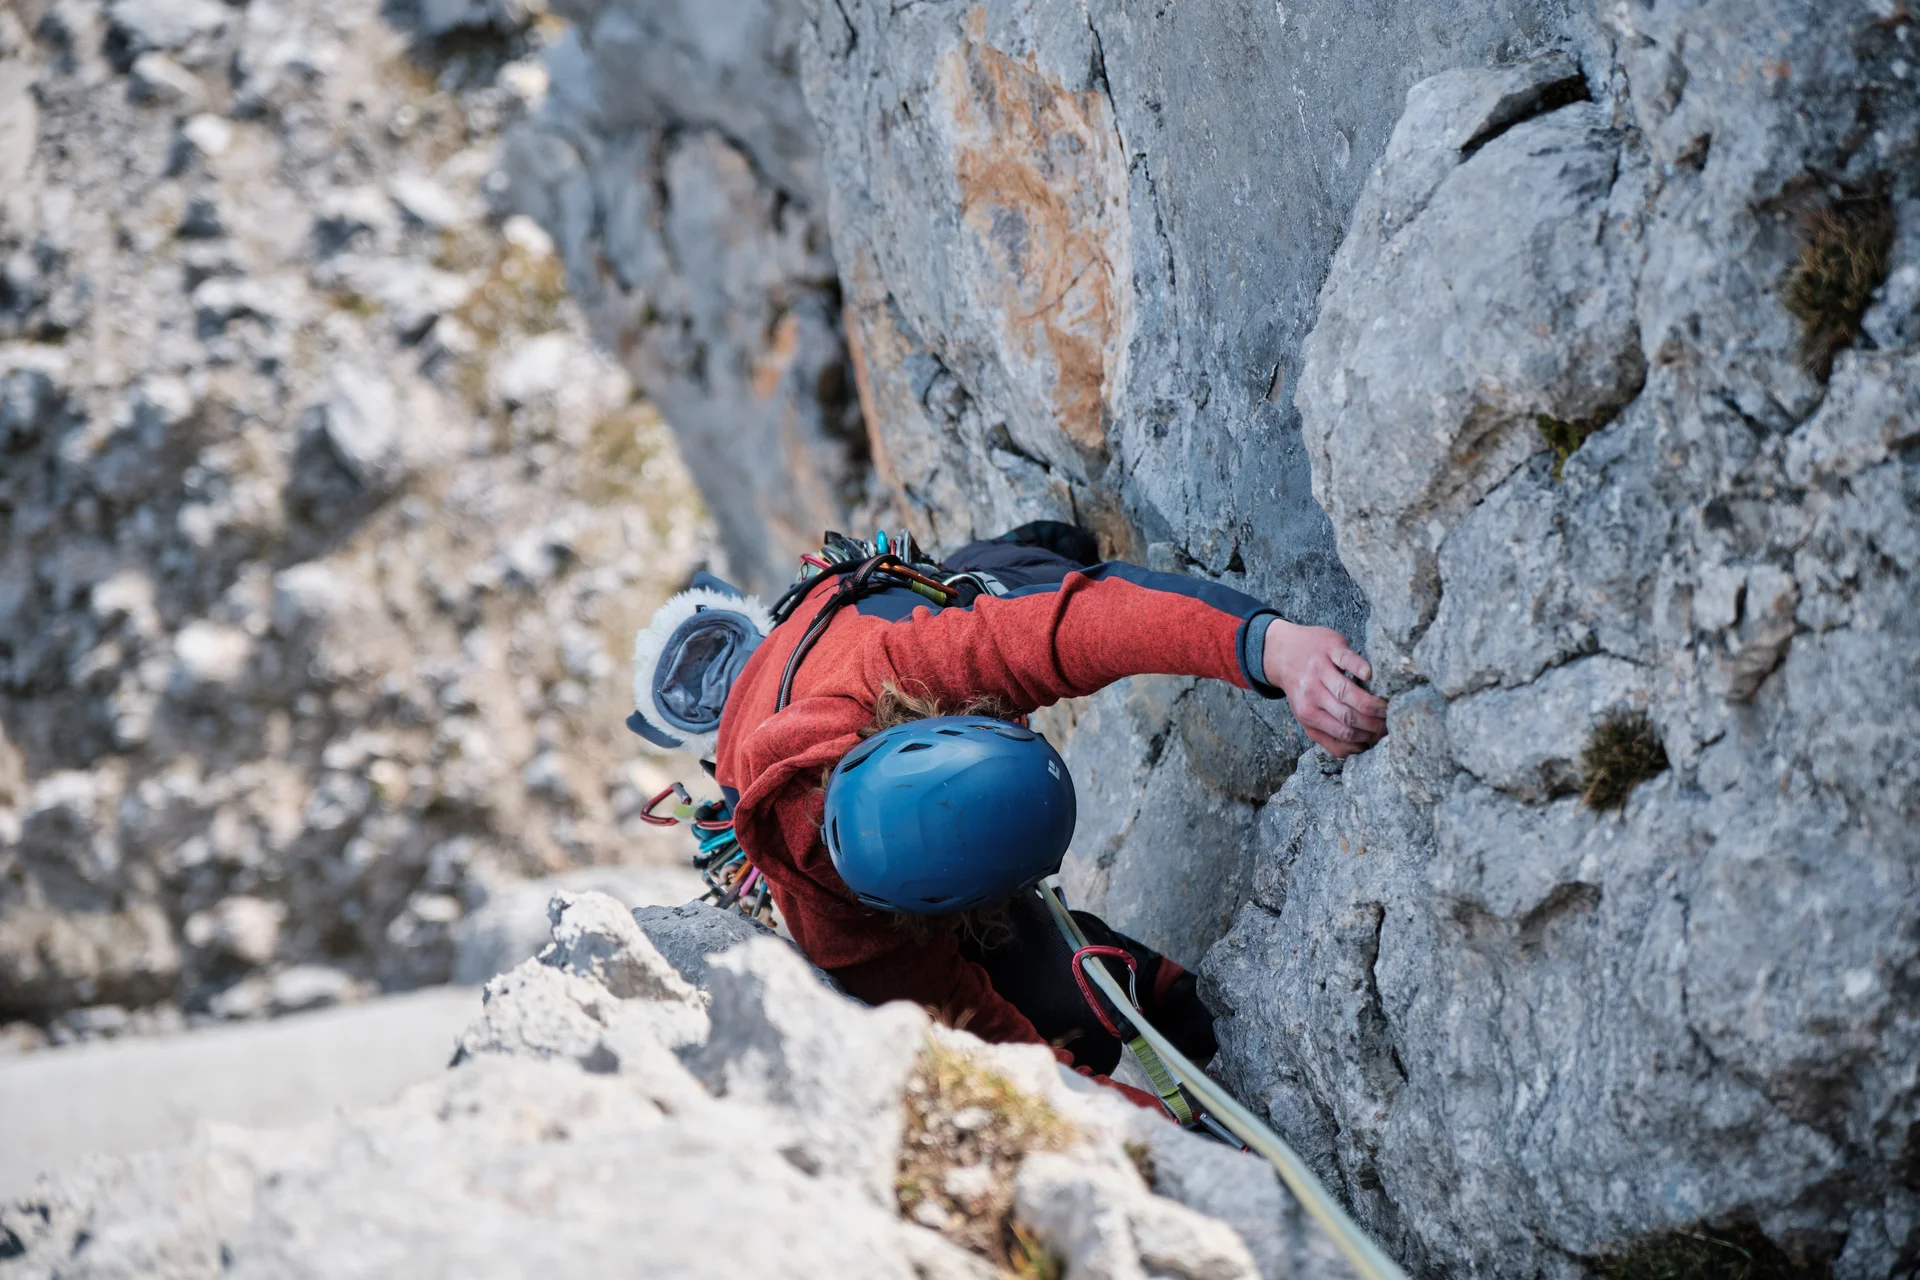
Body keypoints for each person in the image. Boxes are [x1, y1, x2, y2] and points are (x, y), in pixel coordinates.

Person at [627, 521, 1386, 1104]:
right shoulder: (835, 925)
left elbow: (1080, 626)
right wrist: (1137, 1133)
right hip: (874, 835)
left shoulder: (908, 656)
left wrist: (1274, 649)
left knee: (1034, 576)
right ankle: (1143, 990)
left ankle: (1030, 544)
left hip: (889, 618)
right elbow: (981, 1032)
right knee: (1061, 1007)